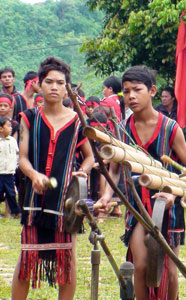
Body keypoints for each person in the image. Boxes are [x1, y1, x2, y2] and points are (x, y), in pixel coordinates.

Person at [99, 65, 186, 300]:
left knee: (169, 271)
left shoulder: (171, 128)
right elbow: (113, 171)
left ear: (152, 91)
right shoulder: (122, 131)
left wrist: (173, 192)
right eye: (126, 91)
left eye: (137, 89)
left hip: (168, 209)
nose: (131, 96)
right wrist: (105, 197)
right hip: (136, 209)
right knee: (141, 267)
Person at [11, 57, 94, 300]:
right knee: (27, 257)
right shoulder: (28, 118)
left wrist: (83, 171)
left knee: (67, 259)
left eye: (60, 83)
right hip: (34, 200)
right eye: (49, 82)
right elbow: (23, 158)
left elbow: (89, 157)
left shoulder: (78, 121)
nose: (54, 87)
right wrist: (34, 174)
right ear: (40, 84)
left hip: (65, 202)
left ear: (67, 87)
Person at [0, 116, 21, 218]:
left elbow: (16, 154)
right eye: (8, 126)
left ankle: (16, 212)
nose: (11, 128)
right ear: (1, 128)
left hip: (9, 173)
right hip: (0, 172)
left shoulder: (12, 140)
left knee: (11, 194)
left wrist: (16, 165)